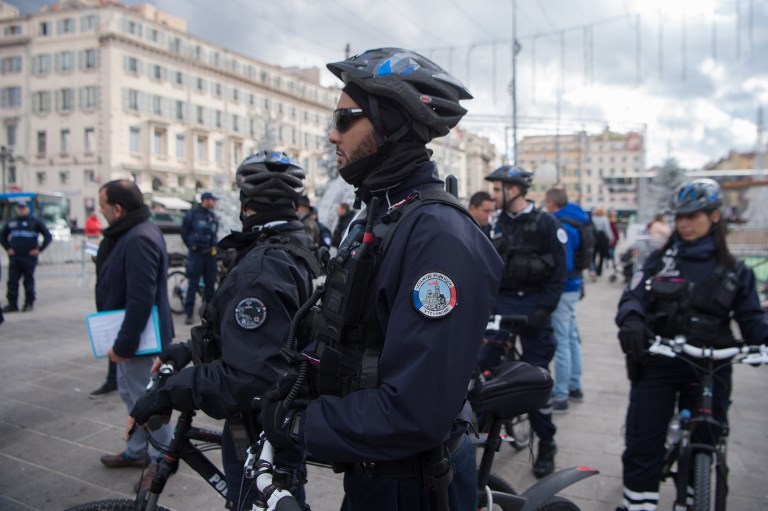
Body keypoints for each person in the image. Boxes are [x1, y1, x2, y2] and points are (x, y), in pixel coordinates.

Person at [258, 48, 502, 510]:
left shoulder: (437, 235)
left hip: (410, 483)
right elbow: (354, 333)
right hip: (372, 469)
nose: (332, 134)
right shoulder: (382, 213)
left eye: (345, 119)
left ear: (390, 123)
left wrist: (302, 425)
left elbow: (415, 410)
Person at [129, 152, 320, 507]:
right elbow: (256, 334)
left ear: (245, 205)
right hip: (282, 421)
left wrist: (170, 391)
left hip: (259, 433)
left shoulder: (261, 268)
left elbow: (249, 376)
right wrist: (186, 350)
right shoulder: (294, 247)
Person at [615, 178, 768, 511]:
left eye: (693, 216)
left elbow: (752, 319)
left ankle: (690, 499)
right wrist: (631, 321)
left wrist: (762, 342)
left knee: (705, 441)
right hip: (662, 359)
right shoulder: (661, 261)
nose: (683, 223)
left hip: (713, 367)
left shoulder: (736, 271)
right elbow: (634, 296)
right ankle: (637, 504)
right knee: (644, 441)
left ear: (714, 217)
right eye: (679, 216)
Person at [483, 165, 566, 478]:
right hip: (502, 306)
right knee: (482, 366)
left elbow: (559, 274)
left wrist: (543, 312)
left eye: (497, 189)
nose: (493, 195)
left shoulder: (547, 224)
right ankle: (479, 428)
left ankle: (546, 442)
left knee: (536, 378)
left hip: (534, 308)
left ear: (514, 190)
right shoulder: (495, 224)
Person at [95, 180, 174, 490]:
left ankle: (161, 460)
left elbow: (141, 299)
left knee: (148, 401)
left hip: (140, 341)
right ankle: (137, 450)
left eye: (101, 206)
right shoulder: (131, 232)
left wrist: (124, 345)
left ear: (118, 209)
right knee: (133, 397)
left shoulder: (139, 237)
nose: (99, 212)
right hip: (134, 338)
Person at [544, 188, 588, 413]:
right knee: (570, 337)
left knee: (561, 340)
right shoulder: (578, 217)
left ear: (552, 203)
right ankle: (575, 386)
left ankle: (560, 395)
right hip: (575, 286)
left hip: (564, 288)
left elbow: (566, 263)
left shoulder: (562, 224)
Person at [1, 200, 52, 313]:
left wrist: (39, 249)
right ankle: (12, 304)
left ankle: (29, 302)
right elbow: (2, 236)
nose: (21, 210)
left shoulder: (34, 222)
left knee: (28, 281)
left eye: (23, 208)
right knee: (12, 281)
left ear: (27, 209)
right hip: (15, 257)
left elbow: (48, 236)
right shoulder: (12, 222)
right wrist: (8, 248)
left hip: (28, 257)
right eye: (19, 208)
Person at [181, 192, 219, 325]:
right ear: (206, 200)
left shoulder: (212, 216)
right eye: (213, 200)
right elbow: (184, 234)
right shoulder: (192, 215)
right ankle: (189, 314)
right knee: (193, 285)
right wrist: (193, 247)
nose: (215, 203)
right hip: (196, 255)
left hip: (210, 256)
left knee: (210, 287)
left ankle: (210, 315)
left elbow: (214, 234)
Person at [590, 207, 614, 278]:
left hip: (593, 237)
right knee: (601, 255)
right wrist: (611, 238)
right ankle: (599, 271)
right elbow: (607, 229)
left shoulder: (592, 219)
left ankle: (593, 269)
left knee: (593, 255)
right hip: (602, 238)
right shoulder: (604, 219)